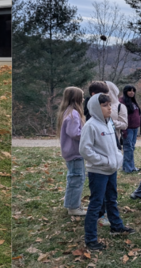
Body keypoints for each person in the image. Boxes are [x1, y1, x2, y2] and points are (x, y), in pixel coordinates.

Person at [80, 93, 134, 252]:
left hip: (111, 169)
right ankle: (90, 238)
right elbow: (85, 150)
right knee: (96, 203)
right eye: (105, 105)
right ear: (96, 107)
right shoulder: (90, 126)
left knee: (112, 198)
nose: (109, 108)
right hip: (98, 171)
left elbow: (114, 144)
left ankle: (116, 226)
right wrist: (103, 161)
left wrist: (117, 157)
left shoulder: (109, 122)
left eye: (109, 104)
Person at [58, 86, 87, 216]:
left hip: (73, 152)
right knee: (76, 179)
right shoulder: (73, 114)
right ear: (77, 98)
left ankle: (74, 204)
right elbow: (75, 133)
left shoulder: (69, 112)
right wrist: (88, 135)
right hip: (74, 153)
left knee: (75, 178)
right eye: (82, 96)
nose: (84, 99)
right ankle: (73, 207)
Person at [120, 85, 141, 173]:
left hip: (135, 128)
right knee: (128, 148)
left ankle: (130, 167)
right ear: (125, 91)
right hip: (127, 129)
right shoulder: (122, 102)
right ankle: (128, 168)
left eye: (133, 91)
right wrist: (123, 131)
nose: (132, 92)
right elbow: (121, 117)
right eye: (130, 91)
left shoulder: (133, 101)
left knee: (131, 147)